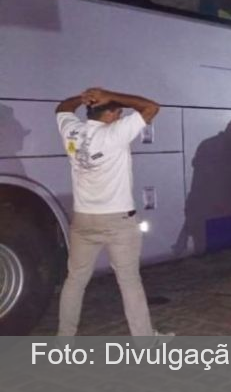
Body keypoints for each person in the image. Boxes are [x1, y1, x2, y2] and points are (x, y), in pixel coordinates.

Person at [55, 87, 172, 341]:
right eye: (118, 111)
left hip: (83, 219)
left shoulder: (72, 131)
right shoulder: (114, 134)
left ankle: (64, 340)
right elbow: (152, 106)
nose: (120, 116)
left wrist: (80, 98)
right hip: (117, 220)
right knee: (129, 281)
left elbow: (63, 107)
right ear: (108, 114)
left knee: (75, 280)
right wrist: (113, 95)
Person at [173, 119, 231, 257]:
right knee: (223, 257)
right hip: (221, 215)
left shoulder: (206, 145)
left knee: (205, 256)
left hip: (200, 213)